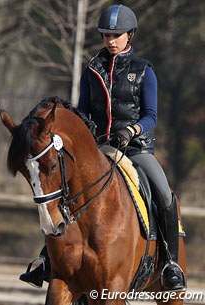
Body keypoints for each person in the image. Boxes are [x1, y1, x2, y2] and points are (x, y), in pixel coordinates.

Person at [19, 4, 186, 292]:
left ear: (129, 35)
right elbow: (83, 112)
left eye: (116, 35)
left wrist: (130, 130)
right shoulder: (92, 69)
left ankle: (171, 263)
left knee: (164, 193)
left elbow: (151, 116)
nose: (110, 40)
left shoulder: (144, 71)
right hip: (98, 149)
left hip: (135, 150)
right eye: (106, 35)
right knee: (61, 192)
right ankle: (47, 259)